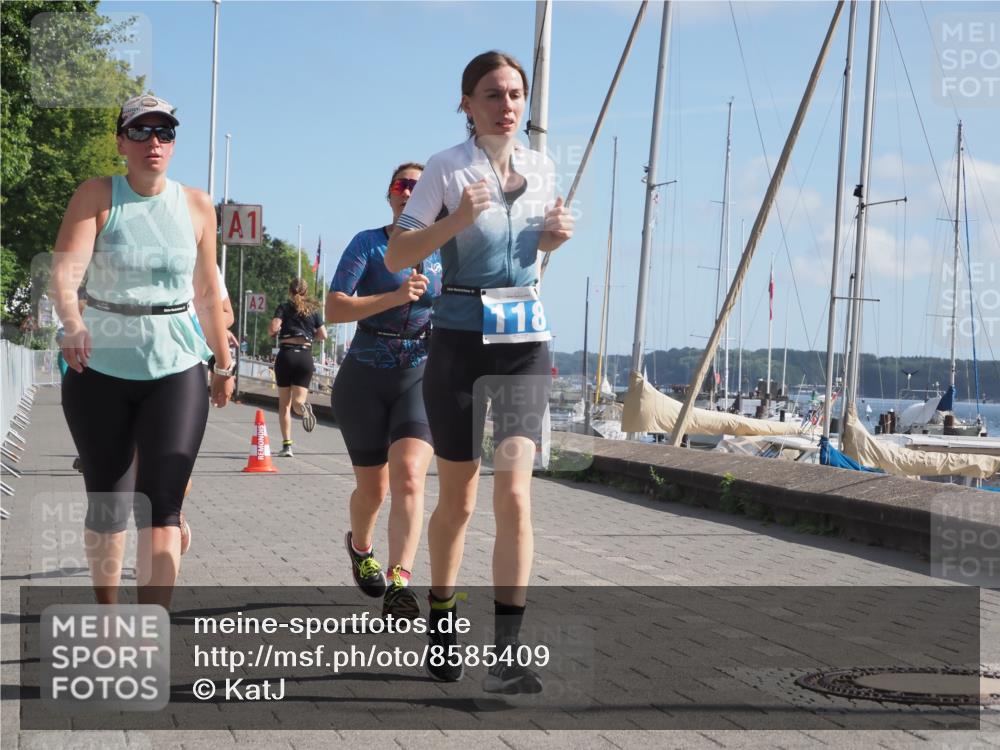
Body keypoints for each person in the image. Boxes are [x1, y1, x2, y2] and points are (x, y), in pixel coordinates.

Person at [386, 51, 574, 692]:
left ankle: (509, 653)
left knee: (515, 493)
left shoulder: (542, 168)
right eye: (493, 94)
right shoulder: (445, 168)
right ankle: (441, 623)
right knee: (460, 500)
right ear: (466, 103)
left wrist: (552, 238)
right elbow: (397, 253)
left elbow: (527, 251)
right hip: (461, 341)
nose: (508, 105)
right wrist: (457, 219)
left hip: (524, 340)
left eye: (516, 93)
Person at [49, 93, 234, 608]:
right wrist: (71, 321)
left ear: (173, 144)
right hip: (99, 366)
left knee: (163, 506)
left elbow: (206, 293)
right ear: (121, 142)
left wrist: (224, 362)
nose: (154, 142)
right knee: (107, 503)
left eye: (164, 133)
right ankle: (109, 615)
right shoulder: (97, 196)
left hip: (175, 366)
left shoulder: (196, 206)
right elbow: (65, 273)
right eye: (141, 131)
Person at [327, 162, 441, 620]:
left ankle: (400, 581)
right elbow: (335, 308)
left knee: (410, 476)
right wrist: (396, 297)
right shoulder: (368, 244)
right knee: (373, 490)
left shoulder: (444, 250)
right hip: (363, 377)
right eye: (401, 185)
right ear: (390, 194)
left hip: (419, 374)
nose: (409, 193)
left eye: (418, 187)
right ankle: (360, 546)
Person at [268, 279, 326, 457]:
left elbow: (273, 328)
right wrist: (309, 335)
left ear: (289, 291)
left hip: (286, 355)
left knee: (284, 405)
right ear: (306, 292)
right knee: (297, 403)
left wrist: (274, 331)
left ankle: (287, 446)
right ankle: (303, 407)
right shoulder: (313, 310)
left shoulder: (284, 307)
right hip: (304, 356)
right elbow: (323, 335)